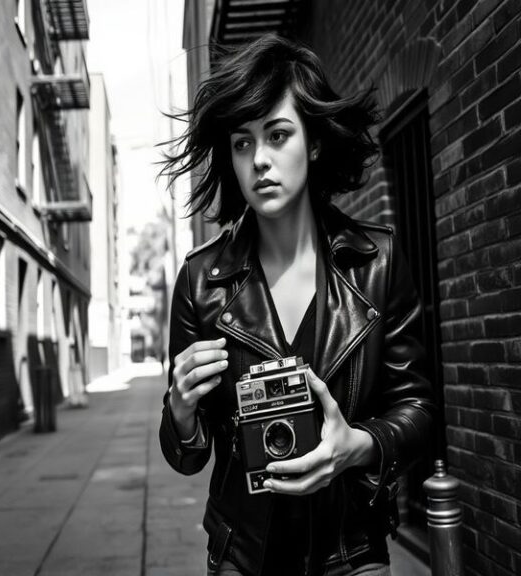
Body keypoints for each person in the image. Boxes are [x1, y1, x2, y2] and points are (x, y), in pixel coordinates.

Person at [159, 34, 435, 576]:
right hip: (244, 556)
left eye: (278, 134)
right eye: (242, 143)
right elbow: (189, 458)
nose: (259, 159)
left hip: (352, 551)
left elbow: (419, 410)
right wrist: (180, 410)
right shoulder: (200, 282)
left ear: (311, 143)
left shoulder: (376, 263)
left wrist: (357, 445)